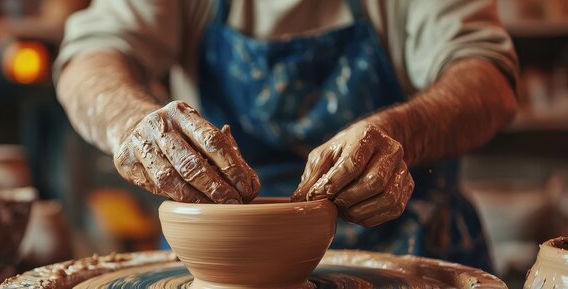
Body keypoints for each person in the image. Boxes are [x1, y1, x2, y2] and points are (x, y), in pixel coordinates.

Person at [54, 0, 518, 272]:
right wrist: (130, 120)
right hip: (221, 260)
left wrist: (403, 132)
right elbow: (91, 56)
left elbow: (486, 75)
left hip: (407, 240)